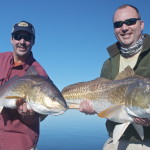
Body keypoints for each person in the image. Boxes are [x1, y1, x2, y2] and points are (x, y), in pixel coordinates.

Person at [79, 4, 150, 150]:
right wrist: (94, 108)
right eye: (118, 24)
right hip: (114, 142)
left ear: (141, 24)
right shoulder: (108, 64)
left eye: (130, 21)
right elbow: (106, 107)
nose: (124, 28)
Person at [0, 21, 50, 150]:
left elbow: (43, 115)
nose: (22, 41)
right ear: (11, 39)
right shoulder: (1, 59)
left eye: (27, 38)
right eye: (17, 37)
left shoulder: (40, 74)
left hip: (18, 143)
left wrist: (28, 115)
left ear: (33, 41)